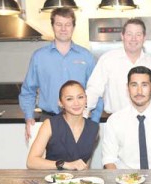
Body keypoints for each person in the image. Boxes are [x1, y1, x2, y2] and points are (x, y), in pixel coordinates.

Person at [19, 7, 103, 141]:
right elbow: (28, 90)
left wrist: (94, 121)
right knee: (48, 162)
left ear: (73, 27)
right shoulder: (39, 57)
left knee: (80, 162)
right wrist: (29, 117)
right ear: (52, 26)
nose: (63, 29)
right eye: (59, 24)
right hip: (49, 121)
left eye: (67, 24)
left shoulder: (86, 57)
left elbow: (97, 91)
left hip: (80, 122)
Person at [85, 18, 151, 117]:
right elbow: (94, 89)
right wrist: (83, 112)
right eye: (129, 34)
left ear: (144, 38)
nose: (133, 38)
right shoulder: (108, 59)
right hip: (114, 120)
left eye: (138, 35)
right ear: (122, 36)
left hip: (145, 120)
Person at [27, 80, 99, 170]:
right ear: (60, 103)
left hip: (80, 181)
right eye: (69, 99)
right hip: (53, 180)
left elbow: (86, 162)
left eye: (80, 97)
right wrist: (65, 164)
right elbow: (31, 162)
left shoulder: (94, 128)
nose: (76, 103)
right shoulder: (50, 125)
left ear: (86, 99)